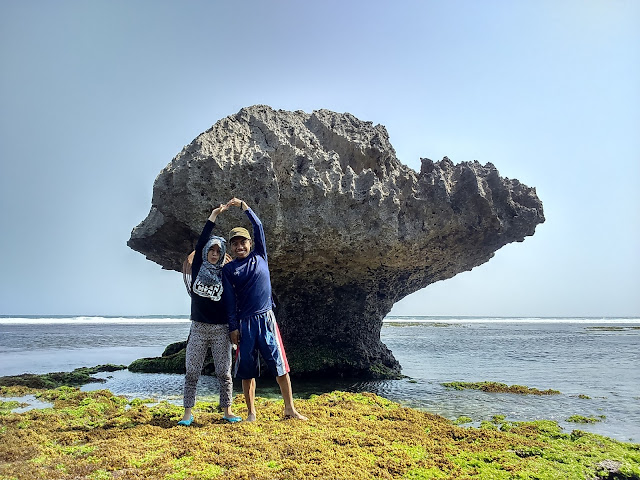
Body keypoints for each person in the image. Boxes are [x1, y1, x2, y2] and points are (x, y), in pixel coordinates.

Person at [222, 197, 307, 422]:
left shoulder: (260, 256)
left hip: (267, 318)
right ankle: (251, 413)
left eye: (243, 242)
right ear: (231, 247)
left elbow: (258, 226)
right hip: (245, 323)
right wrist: (233, 328)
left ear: (250, 243)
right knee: (247, 370)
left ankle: (289, 408)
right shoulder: (229, 269)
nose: (240, 246)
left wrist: (245, 207)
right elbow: (229, 301)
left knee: (280, 364)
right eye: (235, 243)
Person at [178, 204, 242, 426]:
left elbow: (233, 302)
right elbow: (201, 238)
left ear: (222, 253)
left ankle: (227, 411)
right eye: (211, 250)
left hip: (221, 329)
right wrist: (214, 215)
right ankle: (187, 413)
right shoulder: (198, 267)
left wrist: (234, 328)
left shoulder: (225, 273)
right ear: (206, 251)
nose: (214, 254)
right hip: (198, 327)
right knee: (192, 371)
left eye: (218, 251)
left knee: (224, 373)